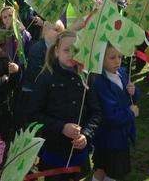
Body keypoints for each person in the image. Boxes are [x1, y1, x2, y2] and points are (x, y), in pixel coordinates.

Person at [28, 31, 102, 181]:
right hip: (53, 154)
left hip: (78, 155)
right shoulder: (46, 78)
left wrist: (86, 135)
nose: (70, 54)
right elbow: (33, 115)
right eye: (66, 50)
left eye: (75, 50)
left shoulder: (86, 77)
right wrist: (61, 127)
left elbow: (96, 112)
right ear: (56, 51)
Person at [92, 44, 139, 181]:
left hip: (121, 136)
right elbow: (110, 115)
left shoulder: (122, 73)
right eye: (112, 57)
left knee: (104, 168)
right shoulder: (100, 82)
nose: (117, 61)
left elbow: (130, 98)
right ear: (101, 58)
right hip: (110, 138)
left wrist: (134, 92)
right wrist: (130, 113)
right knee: (109, 171)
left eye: (120, 56)